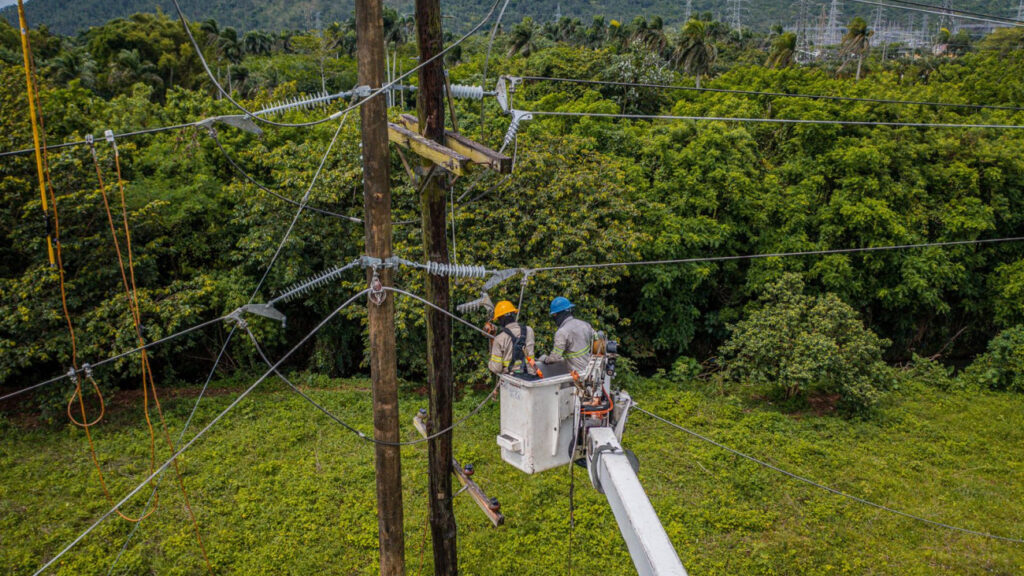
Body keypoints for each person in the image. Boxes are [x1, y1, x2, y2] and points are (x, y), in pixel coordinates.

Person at [538, 296, 594, 373]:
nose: (554, 317)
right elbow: (598, 340)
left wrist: (545, 359)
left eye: (554, 315)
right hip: (590, 371)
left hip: (577, 375)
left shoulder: (562, 332)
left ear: (560, 314)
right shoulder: (585, 324)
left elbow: (555, 357)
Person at [487, 300, 538, 377]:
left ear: (501, 320)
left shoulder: (499, 339)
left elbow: (496, 368)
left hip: (512, 379)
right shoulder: (529, 330)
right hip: (531, 375)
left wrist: (490, 363)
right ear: (514, 314)